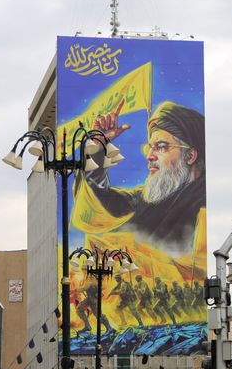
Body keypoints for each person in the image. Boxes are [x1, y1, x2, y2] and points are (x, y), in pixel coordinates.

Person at [72, 100, 206, 254]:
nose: (149, 156)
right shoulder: (145, 199)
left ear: (190, 156)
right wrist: (97, 148)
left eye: (161, 147)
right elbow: (100, 208)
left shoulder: (203, 209)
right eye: (149, 147)